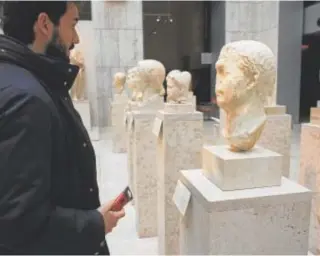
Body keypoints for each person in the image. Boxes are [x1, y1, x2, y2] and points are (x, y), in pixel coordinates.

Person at [0, 1, 125, 254]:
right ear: (45, 24)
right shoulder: (27, 99)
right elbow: (19, 222)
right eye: (73, 24)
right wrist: (95, 224)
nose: (76, 38)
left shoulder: (24, 79)